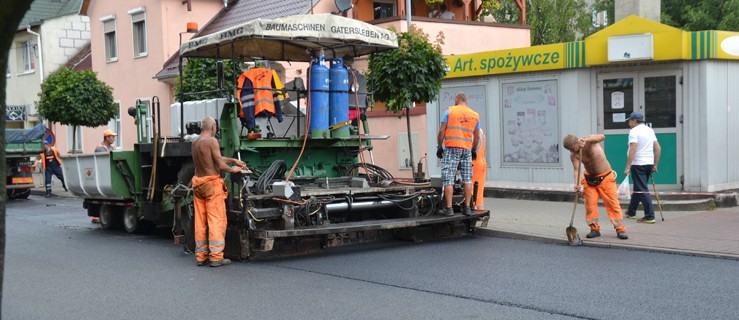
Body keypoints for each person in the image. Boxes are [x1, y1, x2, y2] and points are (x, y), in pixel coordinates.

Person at [191, 117, 246, 267]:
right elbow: (219, 164)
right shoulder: (212, 141)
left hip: (198, 183)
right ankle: (216, 257)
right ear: (213, 127)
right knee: (216, 220)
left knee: (200, 222)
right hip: (211, 185)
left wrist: (233, 160)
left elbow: (212, 157)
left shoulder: (195, 142)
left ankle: (201, 256)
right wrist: (233, 169)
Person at [562, 134, 628, 240]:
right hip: (589, 180)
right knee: (590, 205)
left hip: (606, 178)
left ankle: (620, 229)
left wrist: (585, 139)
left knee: (613, 204)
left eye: (572, 148)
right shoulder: (574, 155)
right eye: (569, 150)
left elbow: (602, 136)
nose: (571, 151)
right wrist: (577, 184)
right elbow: (576, 170)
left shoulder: (590, 142)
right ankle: (594, 229)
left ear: (577, 142)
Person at [437, 92, 480, 216]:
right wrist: (473, 150)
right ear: (466, 101)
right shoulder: (475, 115)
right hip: (466, 149)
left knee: (448, 178)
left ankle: (449, 208)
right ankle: (467, 207)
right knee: (467, 179)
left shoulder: (449, 111)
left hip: (451, 148)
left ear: (456, 100)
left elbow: (441, 131)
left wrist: (439, 147)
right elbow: (476, 137)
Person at [624, 112, 661, 223]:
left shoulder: (634, 131)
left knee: (642, 190)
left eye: (629, 120)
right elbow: (658, 148)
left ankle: (650, 216)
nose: (629, 123)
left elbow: (633, 149)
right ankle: (631, 212)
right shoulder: (650, 130)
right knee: (639, 188)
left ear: (635, 121)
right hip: (649, 163)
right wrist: (655, 164)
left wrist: (628, 167)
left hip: (638, 164)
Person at [472, 128, 487, 210]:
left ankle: (472, 208)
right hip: (481, 161)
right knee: (479, 188)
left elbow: (472, 147)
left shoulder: (472, 131)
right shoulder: (480, 130)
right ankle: (479, 208)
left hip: (474, 162)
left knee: (471, 187)